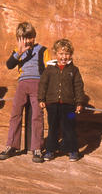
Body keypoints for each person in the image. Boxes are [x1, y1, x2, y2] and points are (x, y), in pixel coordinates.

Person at [0, 22, 50, 163]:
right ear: (19, 38)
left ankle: (37, 148)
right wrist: (19, 52)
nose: (27, 41)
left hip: (37, 84)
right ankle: (11, 145)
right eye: (24, 38)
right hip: (22, 83)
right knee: (15, 114)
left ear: (34, 36)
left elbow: (47, 70)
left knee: (37, 115)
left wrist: (45, 90)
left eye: (30, 37)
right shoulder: (18, 51)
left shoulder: (43, 50)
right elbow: (9, 65)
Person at [38, 38, 85, 162]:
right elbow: (43, 84)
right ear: (56, 54)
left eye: (67, 54)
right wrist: (41, 99)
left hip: (69, 106)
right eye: (61, 54)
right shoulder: (49, 69)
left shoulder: (74, 70)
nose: (64, 57)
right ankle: (50, 150)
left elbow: (78, 86)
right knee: (53, 127)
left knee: (69, 127)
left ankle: (73, 150)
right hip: (52, 105)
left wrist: (79, 102)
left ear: (71, 54)